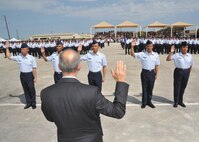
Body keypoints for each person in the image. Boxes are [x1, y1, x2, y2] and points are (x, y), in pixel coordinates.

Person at [40, 49, 129, 142]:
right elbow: (118, 112)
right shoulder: (91, 92)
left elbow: (50, 118)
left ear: (59, 66)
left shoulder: (46, 93)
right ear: (79, 67)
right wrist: (121, 82)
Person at [5, 41, 37, 109]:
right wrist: (7, 48)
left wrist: (35, 77)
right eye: (22, 49)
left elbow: (34, 68)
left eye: (24, 49)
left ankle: (33, 102)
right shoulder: (19, 57)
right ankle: (28, 102)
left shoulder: (32, 58)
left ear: (28, 49)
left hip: (29, 75)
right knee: (25, 89)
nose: (23, 50)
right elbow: (9, 57)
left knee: (31, 89)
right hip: (22, 75)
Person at [131, 39, 160, 109]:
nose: (149, 47)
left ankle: (149, 101)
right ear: (146, 47)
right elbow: (133, 54)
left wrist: (156, 74)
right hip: (144, 73)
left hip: (152, 73)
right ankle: (144, 102)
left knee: (150, 88)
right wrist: (132, 47)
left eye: (150, 46)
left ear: (152, 46)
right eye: (148, 46)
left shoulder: (155, 55)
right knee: (144, 88)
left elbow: (157, 66)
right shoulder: (142, 54)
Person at [166, 41, 193, 108]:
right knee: (177, 87)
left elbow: (191, 65)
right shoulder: (177, 55)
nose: (185, 48)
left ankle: (180, 101)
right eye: (184, 47)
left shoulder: (189, 55)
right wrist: (171, 52)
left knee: (183, 87)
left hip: (186, 72)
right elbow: (168, 59)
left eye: (186, 47)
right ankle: (176, 101)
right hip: (178, 71)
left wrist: (188, 73)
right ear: (181, 48)